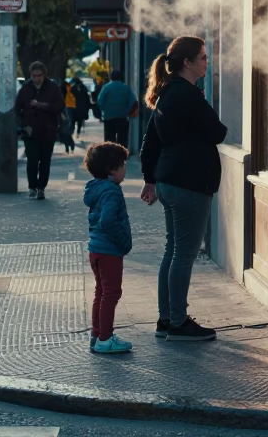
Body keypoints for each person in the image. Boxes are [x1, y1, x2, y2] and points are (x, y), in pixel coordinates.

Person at [138, 36, 227, 342]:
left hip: (169, 180)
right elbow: (219, 131)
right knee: (184, 255)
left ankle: (167, 318)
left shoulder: (166, 94)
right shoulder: (187, 95)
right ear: (187, 63)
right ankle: (177, 322)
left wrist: (150, 179)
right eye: (202, 57)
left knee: (173, 251)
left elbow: (150, 142)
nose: (207, 62)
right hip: (189, 183)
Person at [83, 141, 133, 354]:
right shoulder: (112, 192)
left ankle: (97, 334)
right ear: (112, 170)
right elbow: (108, 221)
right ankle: (105, 338)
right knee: (111, 293)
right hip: (109, 250)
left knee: (101, 292)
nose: (125, 170)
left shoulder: (95, 189)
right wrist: (123, 242)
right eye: (122, 165)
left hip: (96, 249)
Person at [14, 62, 65, 200]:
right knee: (32, 160)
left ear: (44, 75)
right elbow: (18, 107)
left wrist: (41, 105)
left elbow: (59, 106)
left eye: (39, 75)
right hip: (30, 130)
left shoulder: (52, 88)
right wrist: (22, 124)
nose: (36, 78)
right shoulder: (26, 88)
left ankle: (41, 188)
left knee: (45, 160)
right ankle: (32, 186)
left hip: (48, 130)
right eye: (34, 75)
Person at [96, 70, 137, 149]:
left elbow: (100, 101)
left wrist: (105, 110)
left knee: (109, 138)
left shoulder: (106, 87)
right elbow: (133, 101)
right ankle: (122, 154)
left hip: (109, 116)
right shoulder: (125, 87)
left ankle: (110, 154)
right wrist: (127, 110)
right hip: (122, 116)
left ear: (111, 77)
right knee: (122, 138)